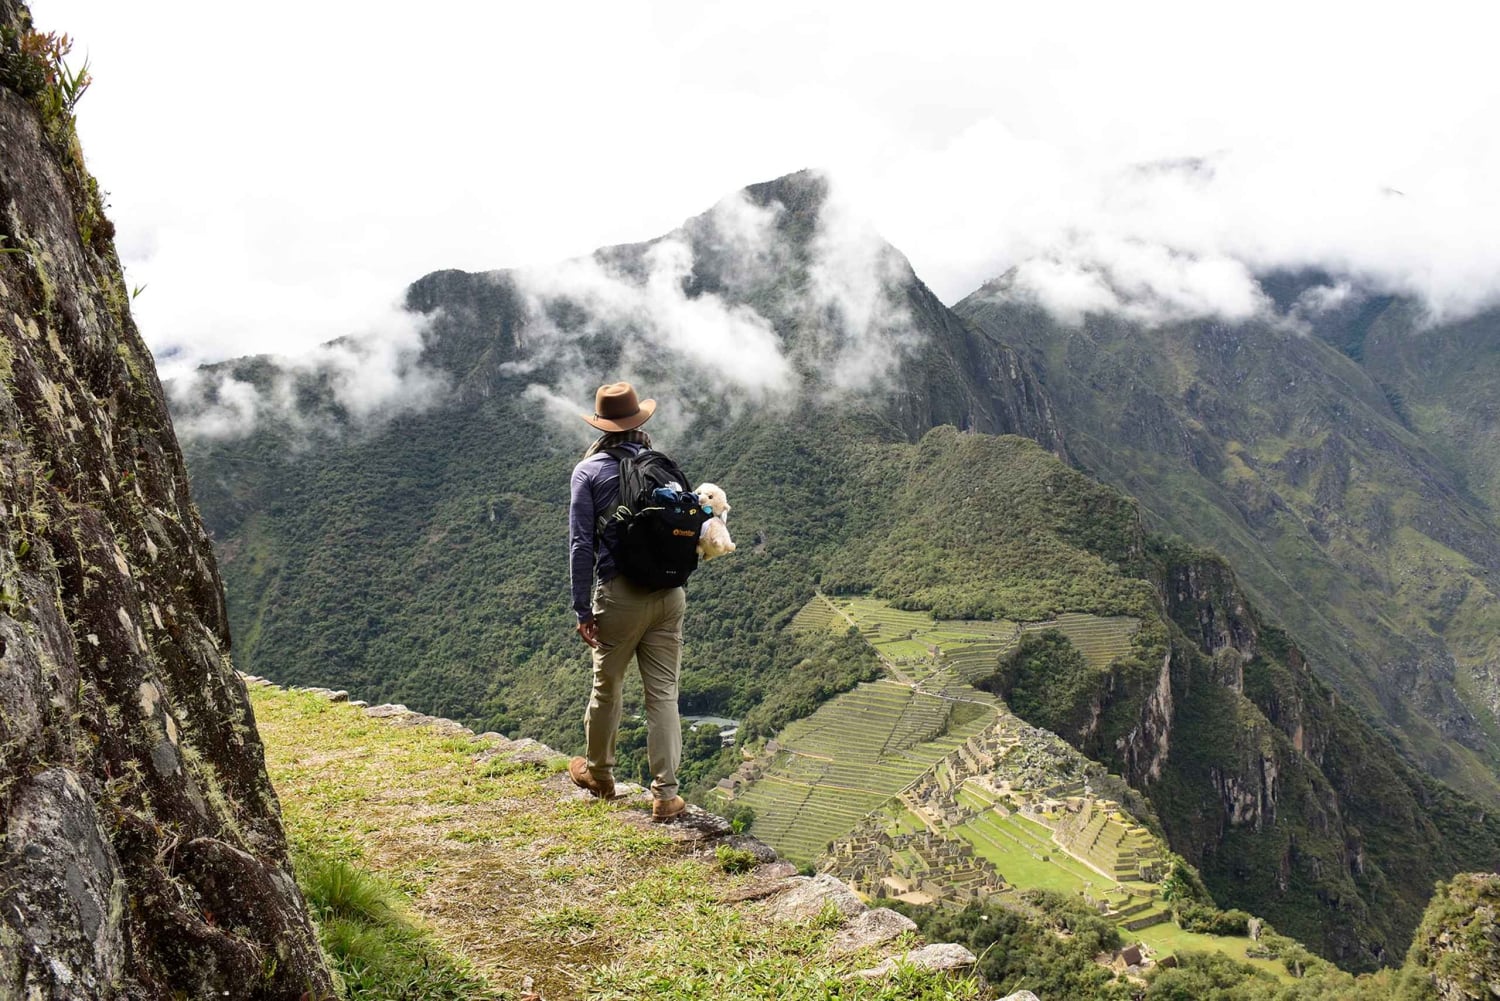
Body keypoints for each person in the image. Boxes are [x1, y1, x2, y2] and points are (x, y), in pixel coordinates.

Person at [567, 381, 688, 822]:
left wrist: (583, 609)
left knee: (607, 687)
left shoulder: (589, 471)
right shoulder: (660, 467)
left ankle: (599, 775)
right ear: (639, 421)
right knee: (663, 695)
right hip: (670, 593)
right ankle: (666, 795)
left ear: (602, 426)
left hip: (619, 596)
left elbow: (582, 545)